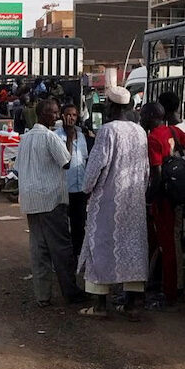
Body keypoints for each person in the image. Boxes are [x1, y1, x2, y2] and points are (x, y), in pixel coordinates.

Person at [78, 87, 149, 320]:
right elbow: (145, 169)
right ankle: (133, 305)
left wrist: (86, 188)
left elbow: (97, 163)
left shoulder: (107, 131)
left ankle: (99, 305)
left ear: (112, 105)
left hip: (108, 198)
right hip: (134, 198)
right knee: (133, 247)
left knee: (100, 244)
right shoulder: (140, 131)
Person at [15, 98, 78, 307]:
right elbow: (67, 162)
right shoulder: (50, 137)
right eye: (53, 112)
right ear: (43, 114)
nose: (57, 115)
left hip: (31, 200)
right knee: (61, 249)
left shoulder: (25, 138)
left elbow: (17, 168)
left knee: (38, 248)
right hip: (51, 199)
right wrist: (69, 138)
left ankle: (43, 294)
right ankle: (70, 292)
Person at [142, 101, 185, 309]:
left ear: (150, 116)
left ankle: (170, 293)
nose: (141, 118)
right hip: (176, 194)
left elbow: (155, 175)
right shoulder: (172, 130)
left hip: (163, 198)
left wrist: (148, 199)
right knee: (168, 243)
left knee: (167, 246)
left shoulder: (153, 138)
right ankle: (166, 288)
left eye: (143, 115)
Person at [56, 103, 89, 267]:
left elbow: (84, 159)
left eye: (74, 115)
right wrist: (69, 137)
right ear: (62, 116)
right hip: (64, 188)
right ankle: (63, 260)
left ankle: (78, 257)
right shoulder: (56, 136)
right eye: (68, 115)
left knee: (79, 225)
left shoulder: (81, 136)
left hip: (80, 188)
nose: (71, 118)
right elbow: (65, 161)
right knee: (62, 227)